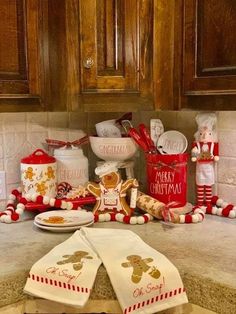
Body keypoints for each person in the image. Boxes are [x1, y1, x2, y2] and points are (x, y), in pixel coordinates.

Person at [191, 113, 219, 207]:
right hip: (200, 168)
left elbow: (216, 154)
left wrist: (215, 157)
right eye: (202, 134)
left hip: (209, 168)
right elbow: (194, 154)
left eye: (208, 134)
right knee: (200, 185)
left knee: (208, 186)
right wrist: (194, 157)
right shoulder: (197, 144)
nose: (204, 136)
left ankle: (208, 203)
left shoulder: (213, 145)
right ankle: (199, 203)